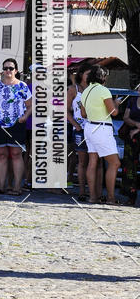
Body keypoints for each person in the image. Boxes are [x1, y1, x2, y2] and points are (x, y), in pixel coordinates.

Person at [0, 58, 32, 196]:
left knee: (16, 154)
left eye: (11, 68)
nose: (8, 71)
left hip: (16, 124)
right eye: (5, 68)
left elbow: (30, 105)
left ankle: (17, 187)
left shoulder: (22, 86)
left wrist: (24, 117)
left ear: (16, 71)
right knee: (1, 155)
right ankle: (1, 186)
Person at [80, 65, 121, 205]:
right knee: (115, 163)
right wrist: (116, 103)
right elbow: (114, 112)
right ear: (103, 77)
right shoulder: (104, 90)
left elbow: (83, 114)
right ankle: (111, 198)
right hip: (101, 128)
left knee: (92, 162)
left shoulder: (85, 91)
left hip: (89, 127)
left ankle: (93, 197)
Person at [67, 67, 90, 202]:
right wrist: (76, 125)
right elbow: (66, 110)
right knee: (82, 161)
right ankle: (82, 191)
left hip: (94, 129)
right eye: (88, 73)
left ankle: (94, 191)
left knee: (95, 162)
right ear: (82, 74)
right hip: (80, 129)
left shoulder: (95, 88)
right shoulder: (73, 89)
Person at [120, 85, 140, 206]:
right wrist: (137, 125)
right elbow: (126, 117)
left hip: (134, 134)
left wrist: (137, 129)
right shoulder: (132, 100)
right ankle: (130, 197)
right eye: (138, 89)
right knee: (129, 167)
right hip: (132, 139)